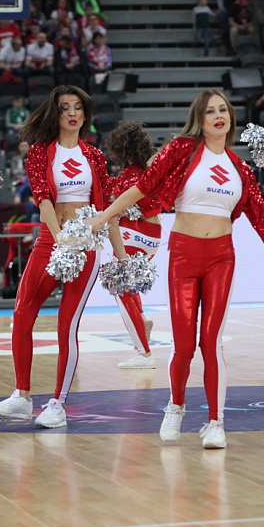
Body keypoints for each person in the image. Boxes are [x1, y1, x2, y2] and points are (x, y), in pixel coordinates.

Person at [84, 90, 264, 449]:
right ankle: (175, 407)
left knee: (211, 343)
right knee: (184, 345)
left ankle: (216, 422)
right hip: (184, 255)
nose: (218, 115)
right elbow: (143, 186)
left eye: (223, 110)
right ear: (199, 118)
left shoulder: (240, 168)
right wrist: (104, 216)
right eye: (210, 111)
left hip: (221, 258)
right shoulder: (182, 150)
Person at [0, 86, 127, 429]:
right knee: (22, 313)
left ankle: (58, 403)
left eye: (78, 107)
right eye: (65, 107)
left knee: (68, 324)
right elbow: (43, 199)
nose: (73, 113)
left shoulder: (94, 155)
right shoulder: (41, 152)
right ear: (56, 113)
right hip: (52, 239)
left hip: (87, 243)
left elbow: (107, 208)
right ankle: (21, 396)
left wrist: (121, 253)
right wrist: (60, 238)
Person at [105, 122, 164, 370]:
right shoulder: (147, 171)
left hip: (134, 233)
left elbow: (114, 212)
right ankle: (142, 318)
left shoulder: (129, 176)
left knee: (121, 287)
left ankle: (144, 354)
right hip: (154, 236)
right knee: (128, 285)